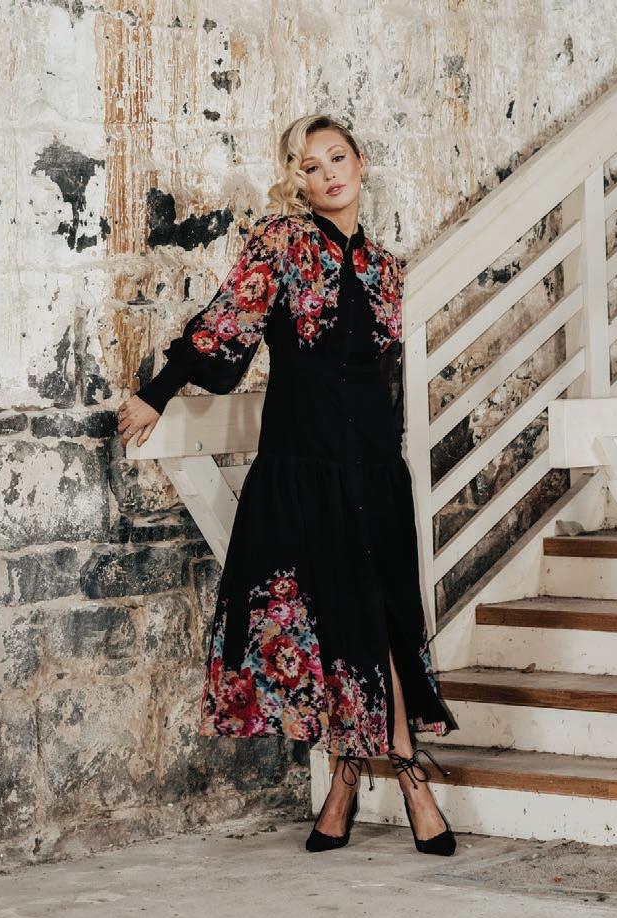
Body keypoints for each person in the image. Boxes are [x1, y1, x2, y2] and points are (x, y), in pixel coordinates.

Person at [116, 113, 458, 857]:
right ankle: (406, 779)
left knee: (383, 619)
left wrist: (388, 460)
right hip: (303, 463)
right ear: (297, 180)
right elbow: (227, 321)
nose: (328, 173)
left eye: (337, 158)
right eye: (310, 165)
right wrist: (158, 392)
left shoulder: (388, 267)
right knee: (335, 619)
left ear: (360, 163)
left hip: (375, 467)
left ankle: (349, 784)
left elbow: (386, 377)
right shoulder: (282, 241)